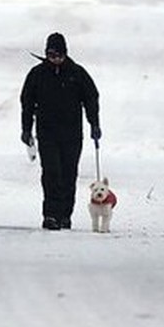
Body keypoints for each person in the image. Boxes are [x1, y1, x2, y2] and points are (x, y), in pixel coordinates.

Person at [20, 32, 101, 230]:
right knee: (51, 173)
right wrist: (26, 130)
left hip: (72, 134)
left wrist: (94, 124)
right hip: (47, 133)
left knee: (68, 174)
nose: (55, 59)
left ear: (65, 53)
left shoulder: (77, 73)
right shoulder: (37, 74)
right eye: (51, 55)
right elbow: (27, 103)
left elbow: (91, 99)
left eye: (58, 55)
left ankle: (65, 215)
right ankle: (50, 215)